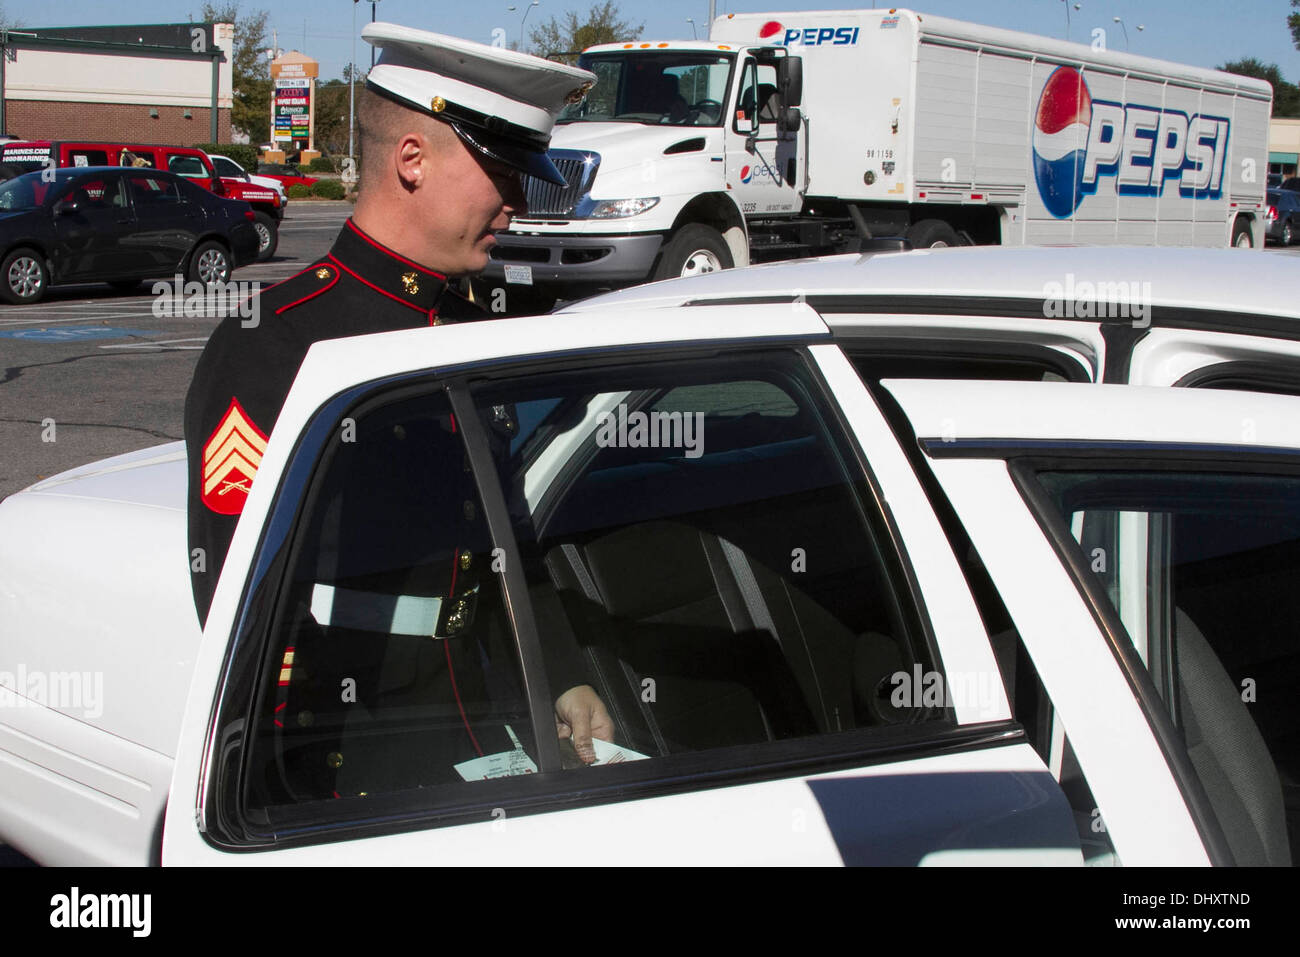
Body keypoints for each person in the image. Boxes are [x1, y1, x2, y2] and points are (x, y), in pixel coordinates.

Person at [184, 23, 611, 769]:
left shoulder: (476, 325)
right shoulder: (275, 345)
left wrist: (564, 665)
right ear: (411, 160)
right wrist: (285, 767)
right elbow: (239, 597)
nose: (514, 201)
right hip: (353, 740)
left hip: (485, 713)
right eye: (501, 172)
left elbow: (502, 530)